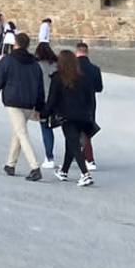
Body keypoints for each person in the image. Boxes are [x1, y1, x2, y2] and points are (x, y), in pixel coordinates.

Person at [0, 38, 45, 180]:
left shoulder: (8, 60)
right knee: (18, 131)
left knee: (21, 133)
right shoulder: (35, 64)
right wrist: (39, 106)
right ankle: (10, 164)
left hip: (13, 100)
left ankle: (34, 167)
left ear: (15, 44)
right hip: (29, 102)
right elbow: (40, 87)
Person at [45, 50, 95, 187]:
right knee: (71, 143)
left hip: (67, 116)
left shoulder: (57, 78)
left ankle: (85, 174)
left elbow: (52, 100)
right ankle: (64, 171)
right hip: (83, 116)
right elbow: (90, 99)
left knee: (73, 143)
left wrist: (45, 113)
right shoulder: (83, 78)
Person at [74, 42, 103, 168]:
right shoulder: (95, 69)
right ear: (87, 52)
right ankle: (82, 155)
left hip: (75, 102)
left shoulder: (73, 68)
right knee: (87, 129)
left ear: (77, 52)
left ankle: (89, 158)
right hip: (90, 102)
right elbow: (99, 88)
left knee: (74, 131)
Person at [34, 42, 58, 162]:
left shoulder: (36, 65)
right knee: (67, 128)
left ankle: (49, 156)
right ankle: (74, 152)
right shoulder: (57, 64)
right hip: (58, 99)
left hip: (43, 100)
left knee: (46, 128)